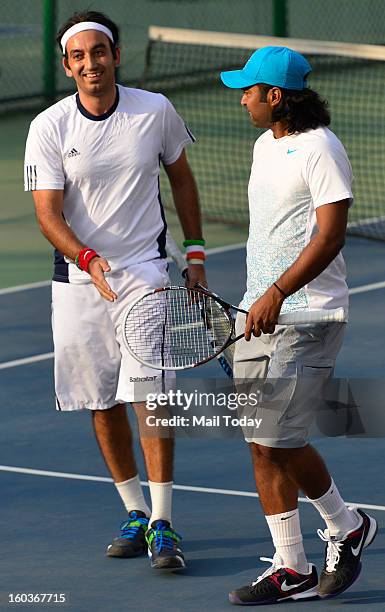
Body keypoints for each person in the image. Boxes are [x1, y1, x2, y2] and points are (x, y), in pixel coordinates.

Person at [24, 10, 207, 572]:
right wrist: (86, 257)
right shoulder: (49, 127)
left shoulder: (154, 111)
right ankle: (132, 511)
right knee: (100, 400)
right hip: (80, 280)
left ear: (115, 56)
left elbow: (180, 177)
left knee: (149, 395)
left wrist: (195, 252)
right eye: (78, 57)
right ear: (66, 65)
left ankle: (162, 521)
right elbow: (47, 214)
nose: (90, 65)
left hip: (146, 273)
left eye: (98, 53)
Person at [220, 46, 377, 604]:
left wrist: (278, 293)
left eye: (250, 90)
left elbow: (330, 235)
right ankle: (295, 563)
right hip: (258, 315)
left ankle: (343, 525)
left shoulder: (321, 150)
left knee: (275, 436)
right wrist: (248, 308)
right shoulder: (266, 146)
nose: (243, 99)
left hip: (308, 313)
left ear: (276, 96)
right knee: (262, 445)